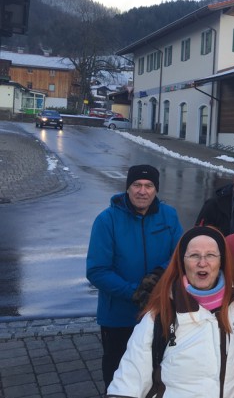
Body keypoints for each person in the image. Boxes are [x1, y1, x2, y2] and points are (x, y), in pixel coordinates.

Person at [107, 226, 234, 397]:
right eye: (194, 255)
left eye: (211, 255)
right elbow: (127, 383)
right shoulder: (160, 316)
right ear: (182, 262)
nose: (202, 263)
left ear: (221, 261)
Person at [86, 164, 183, 392]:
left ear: (156, 189)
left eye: (149, 186)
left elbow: (180, 254)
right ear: (128, 188)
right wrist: (134, 292)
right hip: (119, 317)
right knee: (119, 374)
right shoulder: (107, 220)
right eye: (137, 185)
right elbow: (97, 270)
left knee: (158, 372)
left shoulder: (169, 216)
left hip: (160, 312)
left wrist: (158, 275)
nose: (142, 191)